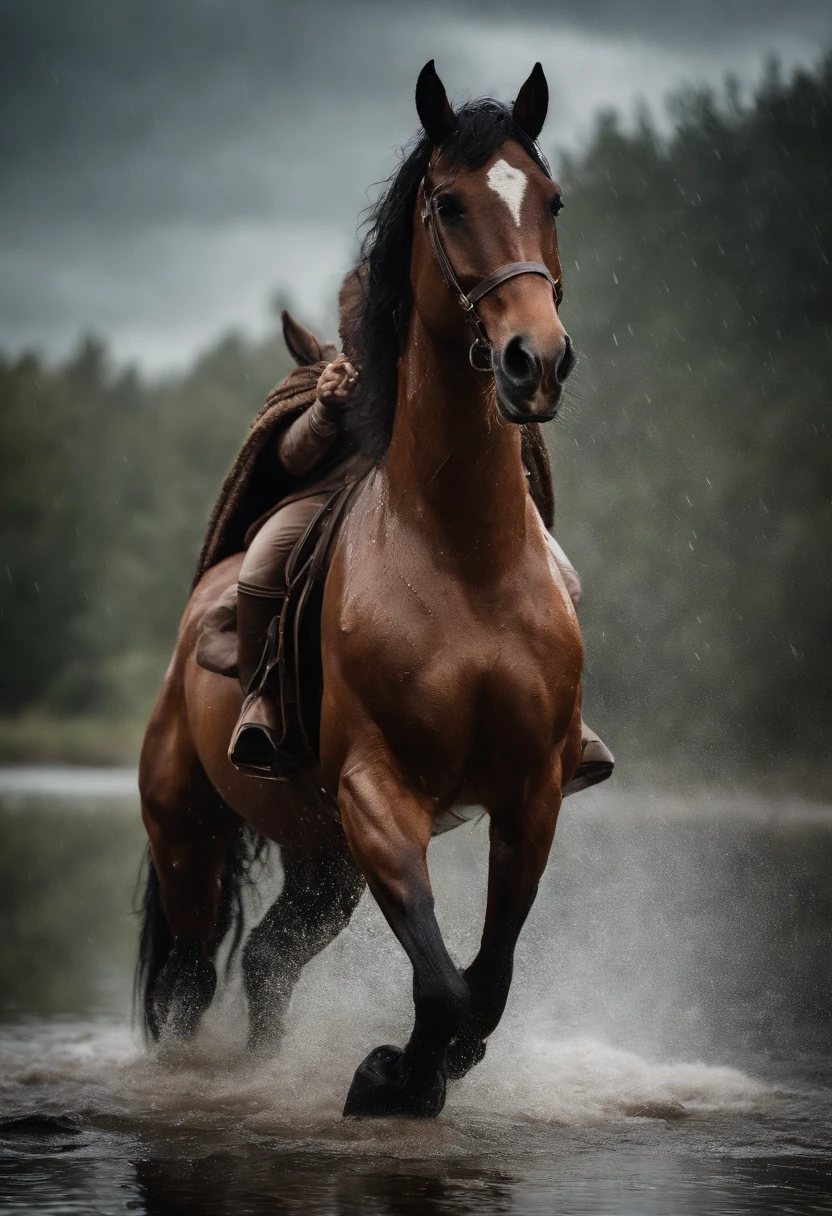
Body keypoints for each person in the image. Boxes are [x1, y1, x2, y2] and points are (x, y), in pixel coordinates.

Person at [227, 350, 614, 796]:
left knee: (564, 581)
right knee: (258, 569)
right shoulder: (343, 369)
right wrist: (324, 408)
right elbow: (292, 460)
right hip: (338, 493)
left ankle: (566, 724)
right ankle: (264, 701)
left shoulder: (467, 357)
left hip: (451, 501)